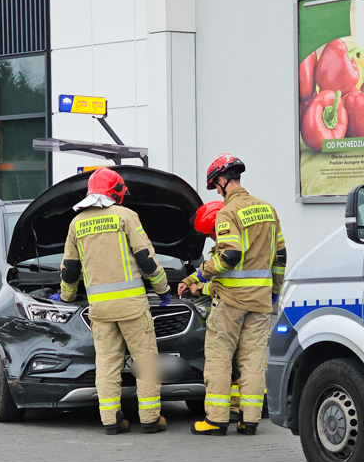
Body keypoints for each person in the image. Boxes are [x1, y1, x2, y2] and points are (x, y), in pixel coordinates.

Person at [58, 167, 172, 435]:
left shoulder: (77, 223)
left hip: (100, 309)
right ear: (115, 191)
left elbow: (69, 268)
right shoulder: (126, 216)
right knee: (145, 361)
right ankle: (150, 419)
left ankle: (110, 420)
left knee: (107, 364)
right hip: (132, 305)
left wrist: (66, 296)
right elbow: (146, 257)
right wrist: (162, 288)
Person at [179, 154, 286, 435]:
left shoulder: (228, 213)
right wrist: (274, 290)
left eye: (216, 185)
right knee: (253, 359)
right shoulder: (268, 209)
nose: (217, 190)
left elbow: (229, 255)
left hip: (231, 302)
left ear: (223, 181)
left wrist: (199, 274)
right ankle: (249, 420)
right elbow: (281, 256)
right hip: (261, 301)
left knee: (218, 357)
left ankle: (215, 419)